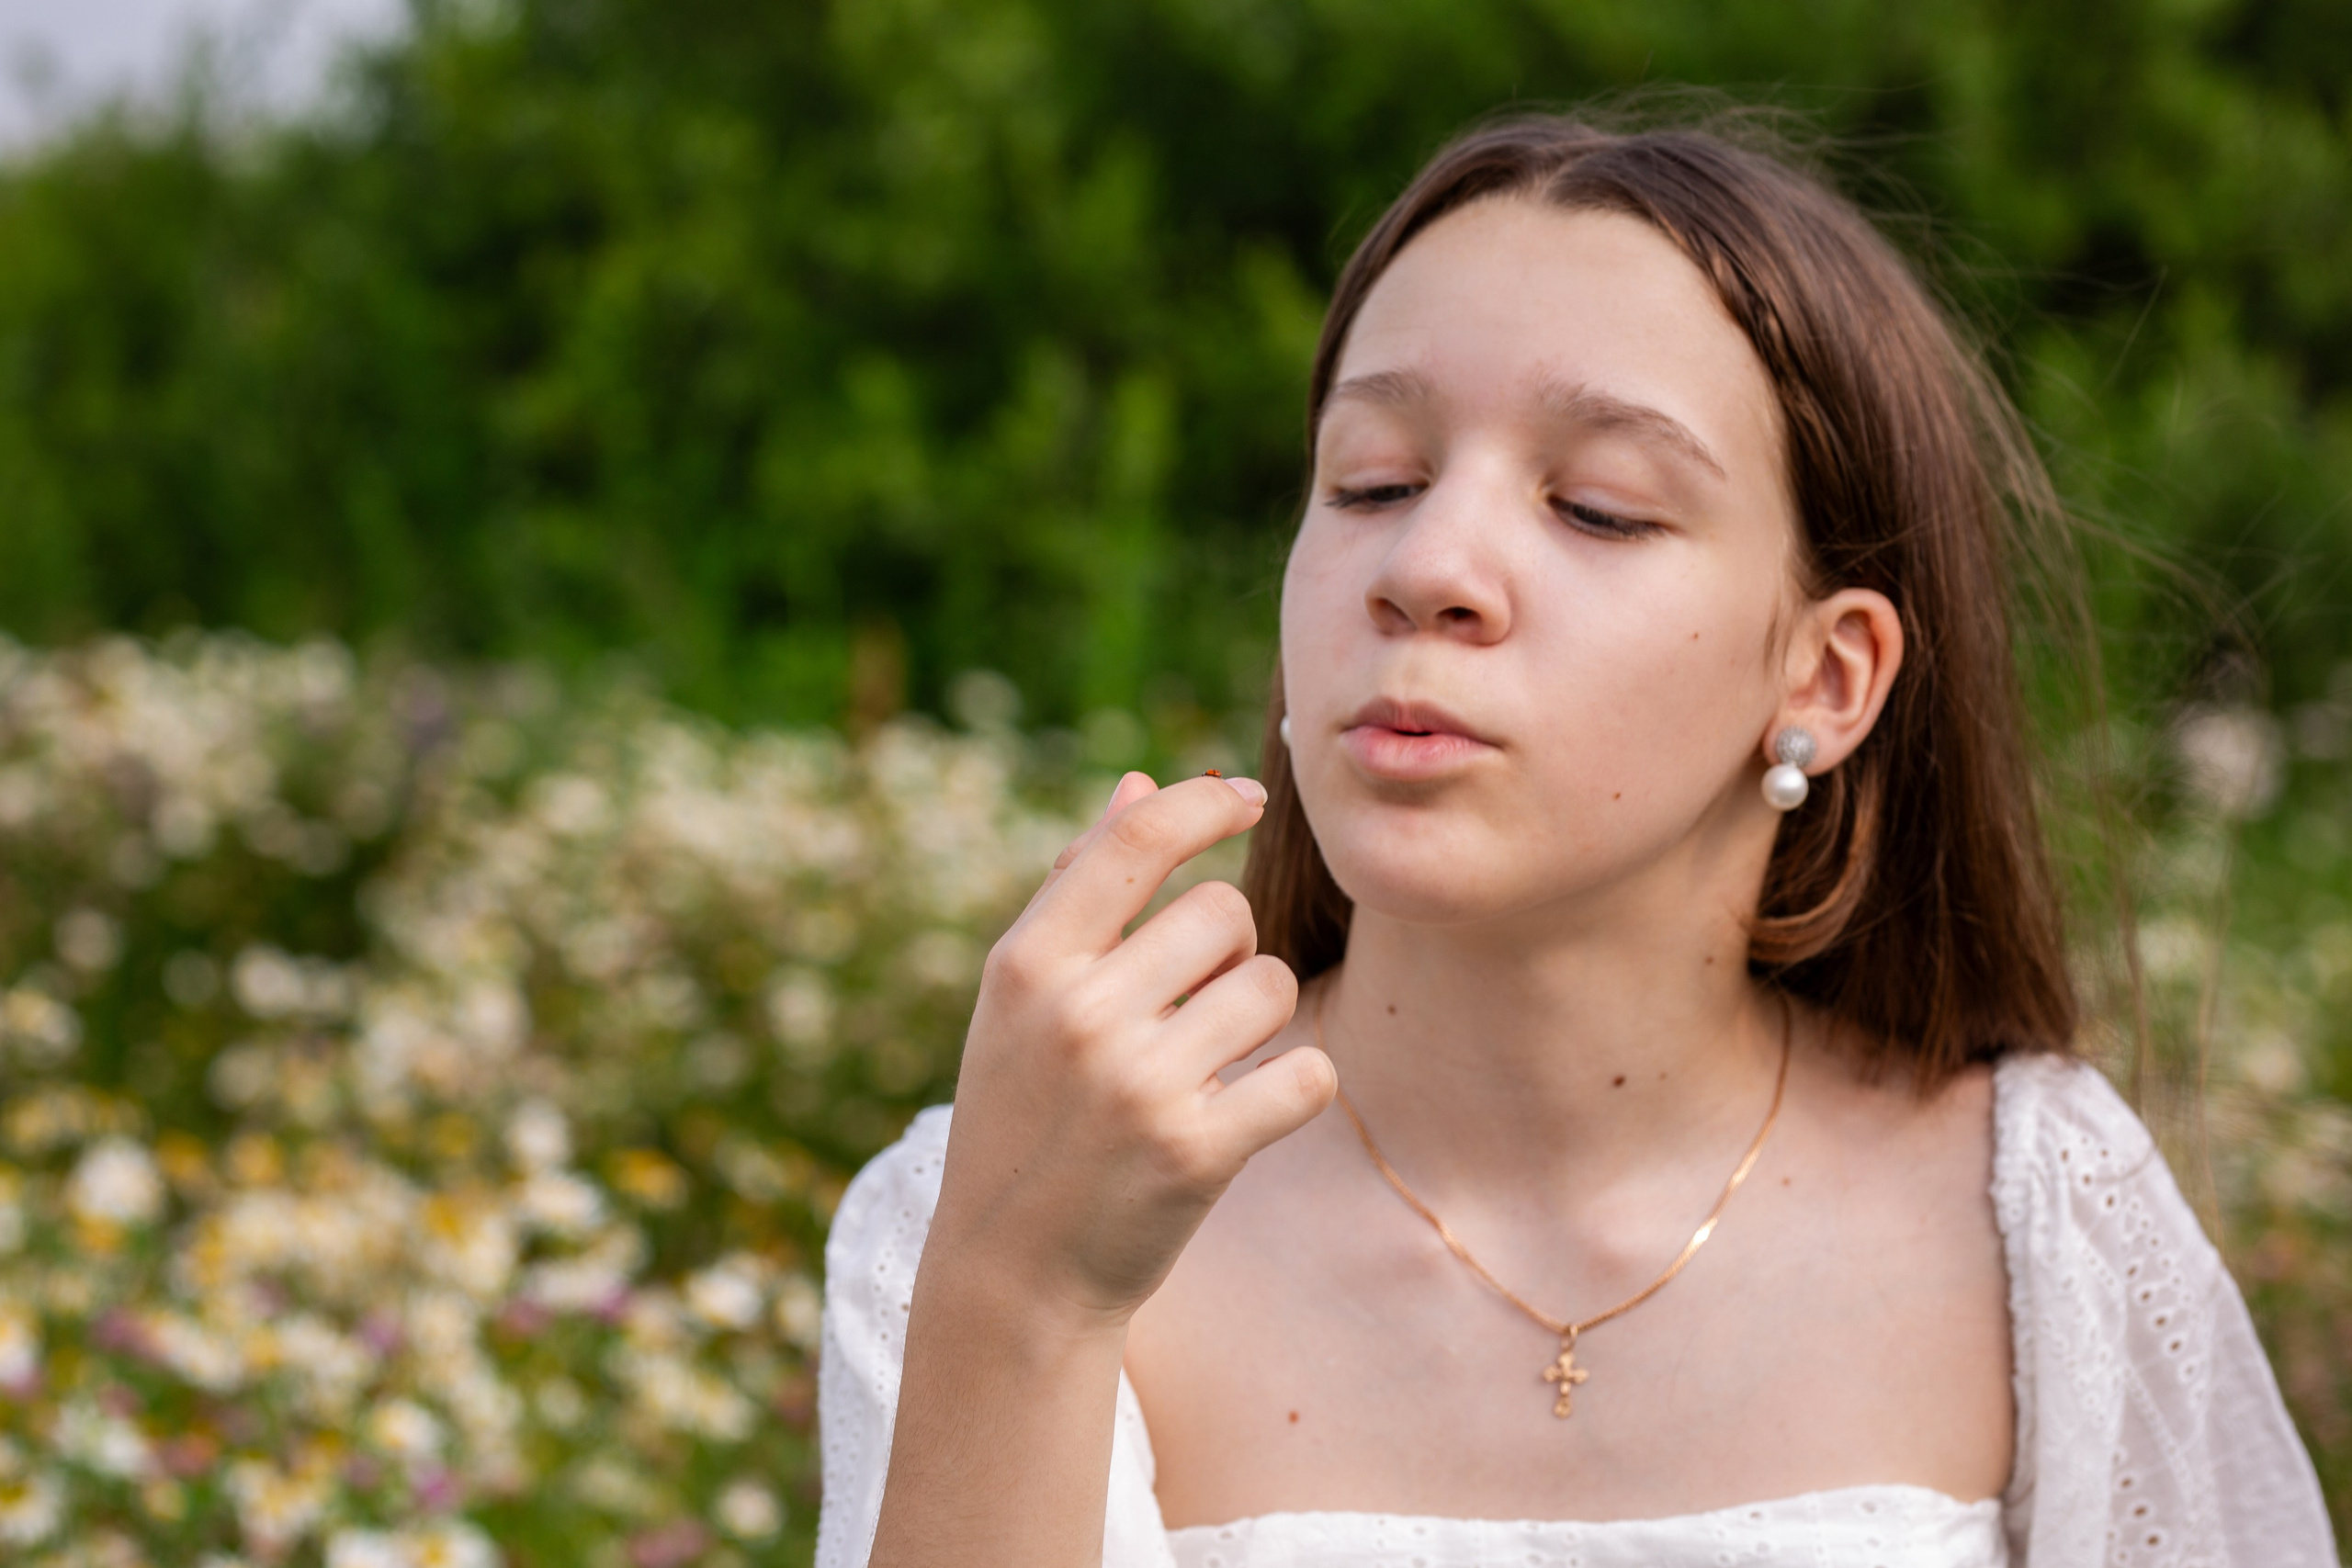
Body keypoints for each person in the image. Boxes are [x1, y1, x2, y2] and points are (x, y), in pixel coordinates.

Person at [813, 113, 2338, 1568]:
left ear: (1825, 677)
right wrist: (1023, 1298)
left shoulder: (2042, 1215)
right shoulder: (1006, 1205)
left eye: (1599, 508)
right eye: (1373, 482)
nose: (1423, 567)